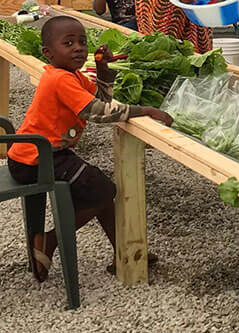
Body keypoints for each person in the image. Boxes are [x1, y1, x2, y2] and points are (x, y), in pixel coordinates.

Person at [7, 16, 173, 281]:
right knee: (103, 189)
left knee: (100, 190)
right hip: (36, 159)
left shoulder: (71, 76)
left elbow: (99, 99)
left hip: (44, 154)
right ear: (48, 53)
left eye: (82, 42)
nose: (78, 48)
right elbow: (98, 112)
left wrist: (105, 73)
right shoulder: (60, 79)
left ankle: (125, 252)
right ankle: (48, 240)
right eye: (68, 43)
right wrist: (145, 110)